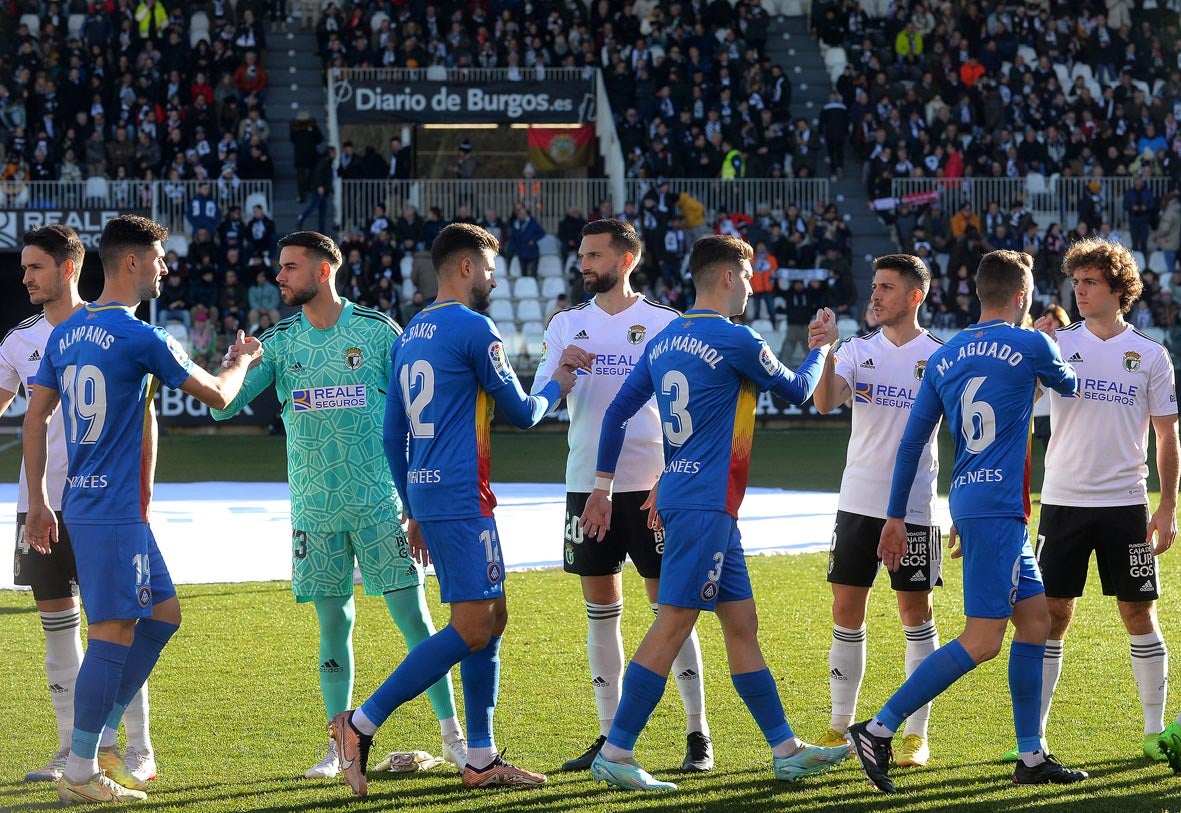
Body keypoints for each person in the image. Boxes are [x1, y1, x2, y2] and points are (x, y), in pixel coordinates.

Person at [579, 235, 850, 791]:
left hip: (694, 499)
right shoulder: (736, 339)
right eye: (749, 275)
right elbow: (800, 389)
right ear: (728, 277)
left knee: (741, 624)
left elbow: (614, 417)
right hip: (705, 504)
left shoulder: (664, 340)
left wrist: (604, 483)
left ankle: (784, 748)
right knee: (673, 621)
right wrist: (822, 345)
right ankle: (618, 750)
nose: (752, 285)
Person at [329, 223, 576, 797]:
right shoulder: (474, 327)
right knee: (471, 625)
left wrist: (414, 505)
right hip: (463, 495)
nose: (494, 276)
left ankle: (482, 757)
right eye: (489, 266)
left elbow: (393, 436)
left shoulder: (412, 332)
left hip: (436, 494)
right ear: (465, 267)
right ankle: (359, 725)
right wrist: (559, 381)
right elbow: (522, 413)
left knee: (493, 617)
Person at [23, 214, 262, 805]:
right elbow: (222, 398)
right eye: (157, 257)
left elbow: (35, 419)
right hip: (110, 512)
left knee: (164, 615)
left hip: (88, 503)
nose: (164, 267)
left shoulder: (67, 333)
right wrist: (243, 359)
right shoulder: (141, 336)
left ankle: (100, 735)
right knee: (110, 631)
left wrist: (37, 504)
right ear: (131, 261)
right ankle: (82, 768)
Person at [211, 231, 468, 779]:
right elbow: (221, 410)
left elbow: (419, 415)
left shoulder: (377, 334)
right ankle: (339, 745)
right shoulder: (277, 343)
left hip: (381, 503)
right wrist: (235, 360)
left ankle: (453, 736)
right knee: (334, 625)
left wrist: (416, 499)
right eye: (279, 267)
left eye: (290, 267)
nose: (279, 276)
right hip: (315, 510)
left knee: (416, 621)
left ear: (324, 271)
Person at [847, 250, 1087, 794]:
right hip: (998, 510)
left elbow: (912, 443)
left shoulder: (947, 353)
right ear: (1023, 298)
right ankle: (878, 728)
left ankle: (1030, 755)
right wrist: (1055, 334)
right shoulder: (1031, 342)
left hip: (974, 503)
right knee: (982, 640)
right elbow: (1070, 384)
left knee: (1036, 624)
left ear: (980, 294)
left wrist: (894, 516)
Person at [531, 219, 713, 774]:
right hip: (586, 485)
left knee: (672, 610)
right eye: (581, 255)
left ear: (627, 259)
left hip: (654, 487)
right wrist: (561, 371)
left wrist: (673, 477)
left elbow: (694, 413)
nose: (583, 263)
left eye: (594, 255)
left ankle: (697, 735)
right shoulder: (566, 323)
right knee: (600, 612)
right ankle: (609, 738)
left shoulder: (665, 323)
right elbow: (539, 397)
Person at [3, 226, 152, 785]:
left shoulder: (115, 329)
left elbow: (146, 419)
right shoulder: (19, 341)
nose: (25, 278)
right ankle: (72, 752)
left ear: (68, 268)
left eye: (34, 267)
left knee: (116, 629)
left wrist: (144, 494)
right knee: (58, 632)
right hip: (37, 505)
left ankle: (135, 748)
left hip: (104, 504)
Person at [1024, 237, 1179, 763]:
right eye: (1076, 282)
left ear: (1118, 289)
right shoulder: (1056, 345)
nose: (1079, 290)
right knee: (1050, 616)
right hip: (1062, 502)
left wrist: (1167, 507)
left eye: (1090, 282)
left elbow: (1167, 437)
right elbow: (1018, 403)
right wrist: (1028, 351)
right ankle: (1034, 740)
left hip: (1127, 506)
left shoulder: (1152, 355)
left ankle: (1155, 731)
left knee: (1139, 613)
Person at [810, 254, 945, 766]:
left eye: (887, 287)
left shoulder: (939, 355)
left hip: (914, 508)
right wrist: (824, 354)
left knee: (915, 614)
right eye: (875, 286)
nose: (876, 295)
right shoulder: (856, 351)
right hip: (857, 502)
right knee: (846, 611)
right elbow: (825, 403)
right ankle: (839, 725)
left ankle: (915, 734)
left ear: (915, 296)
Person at [1030, 305, 1071, 451]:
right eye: (1045, 321)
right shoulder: (1035, 345)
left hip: (1067, 412)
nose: (1049, 325)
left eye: (1053, 321)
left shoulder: (1071, 345)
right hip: (1044, 411)